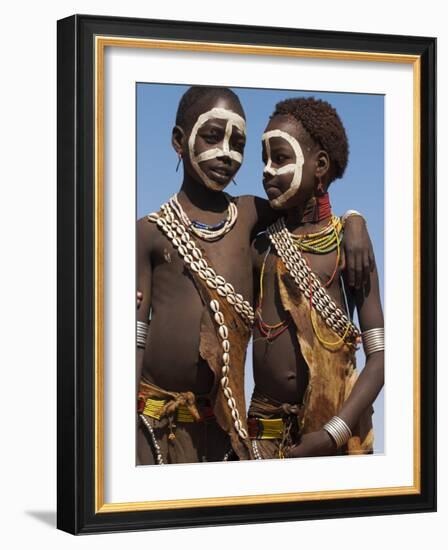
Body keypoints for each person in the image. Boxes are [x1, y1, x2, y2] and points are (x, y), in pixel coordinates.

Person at [136, 86, 374, 465]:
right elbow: (130, 339)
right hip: (154, 423)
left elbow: (307, 210)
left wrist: (355, 221)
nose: (227, 154)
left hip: (224, 429)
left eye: (238, 143)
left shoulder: (247, 216)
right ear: (179, 141)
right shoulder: (151, 231)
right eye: (213, 136)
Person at [248, 97, 384, 460]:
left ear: (320, 165)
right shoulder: (260, 247)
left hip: (336, 437)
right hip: (263, 437)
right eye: (263, 159)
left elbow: (379, 358)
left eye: (280, 158)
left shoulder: (350, 249)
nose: (266, 170)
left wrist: (331, 434)